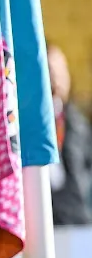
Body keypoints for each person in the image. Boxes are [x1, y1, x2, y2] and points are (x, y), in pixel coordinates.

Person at [46, 45, 92, 225]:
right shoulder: (25, 124)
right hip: (43, 223)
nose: (56, 78)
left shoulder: (79, 124)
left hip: (78, 221)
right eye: (50, 70)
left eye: (60, 70)